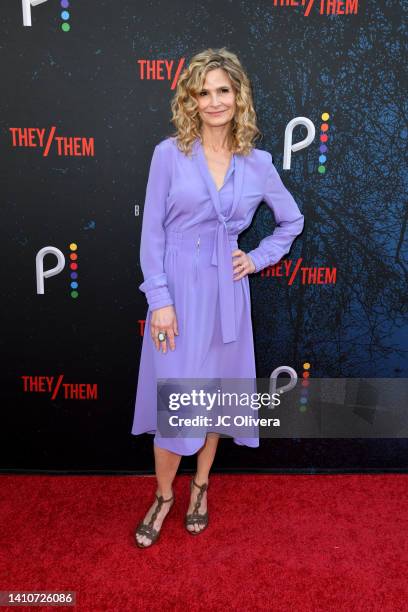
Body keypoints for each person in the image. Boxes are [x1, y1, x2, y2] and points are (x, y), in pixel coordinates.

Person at [131, 47, 304, 547]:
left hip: (228, 293)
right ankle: (164, 495)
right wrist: (159, 299)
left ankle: (200, 487)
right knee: (176, 403)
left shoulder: (259, 163)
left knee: (215, 401)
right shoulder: (169, 154)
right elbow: (152, 236)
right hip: (179, 293)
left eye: (222, 90)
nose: (213, 101)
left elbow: (291, 222)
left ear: (238, 96)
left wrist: (256, 257)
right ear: (190, 99)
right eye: (203, 92)